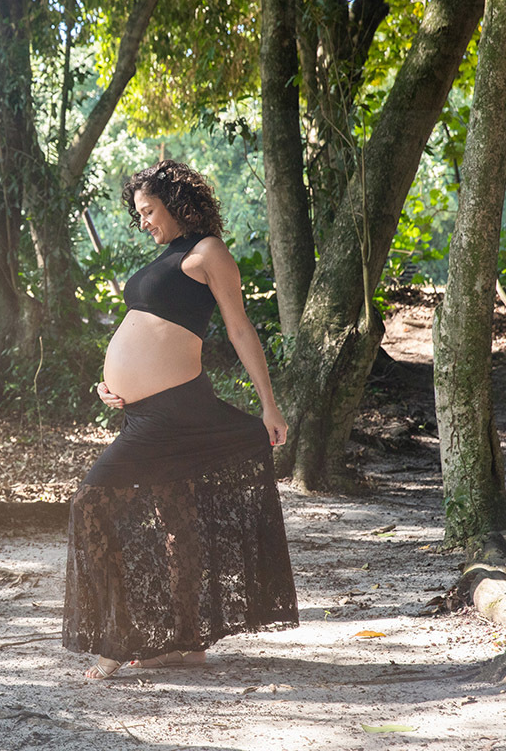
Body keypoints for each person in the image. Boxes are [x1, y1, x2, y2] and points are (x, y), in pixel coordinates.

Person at [63, 159, 299, 680]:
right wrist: (114, 385)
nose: (143, 220)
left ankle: (121, 640)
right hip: (142, 412)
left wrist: (269, 404)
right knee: (177, 523)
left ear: (176, 202)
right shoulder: (166, 257)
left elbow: (239, 330)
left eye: (149, 210)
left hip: (174, 412)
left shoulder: (207, 251)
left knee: (92, 500)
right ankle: (188, 641)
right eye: (138, 213)